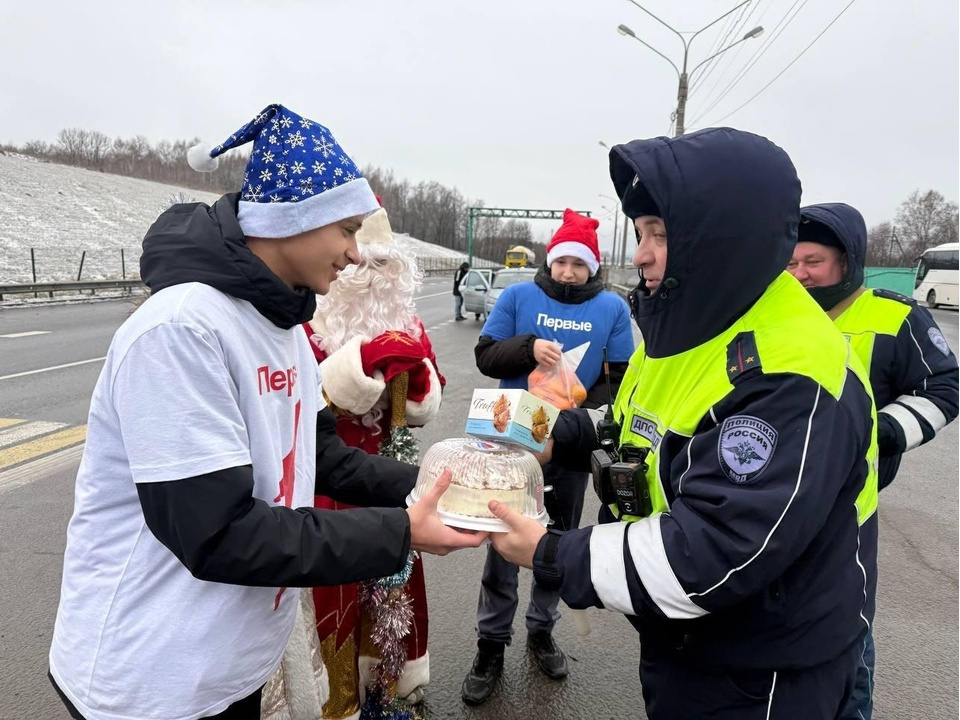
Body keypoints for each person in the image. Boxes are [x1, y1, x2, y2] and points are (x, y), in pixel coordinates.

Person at [48, 103, 485, 720]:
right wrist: (402, 532)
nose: (356, 254)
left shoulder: (280, 326)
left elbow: (318, 453)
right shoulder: (183, 329)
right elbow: (218, 532)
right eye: (347, 229)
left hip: (227, 666)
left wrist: (437, 484)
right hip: (150, 679)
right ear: (293, 219)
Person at [487, 128, 880, 720]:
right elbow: (626, 427)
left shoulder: (791, 370)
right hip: (691, 641)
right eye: (642, 232)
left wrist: (549, 553)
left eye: (660, 234)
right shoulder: (694, 324)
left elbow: (711, 554)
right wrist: (539, 438)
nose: (641, 253)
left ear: (723, 239)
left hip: (761, 664)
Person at [787, 202, 959, 720]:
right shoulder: (775, 314)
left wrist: (879, 434)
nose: (799, 275)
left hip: (849, 509)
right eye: (790, 263)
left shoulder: (897, 315)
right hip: (773, 500)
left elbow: (945, 388)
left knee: (847, 632)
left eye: (812, 261)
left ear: (848, 260)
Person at [461, 208, 635, 705]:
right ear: (550, 260)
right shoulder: (518, 296)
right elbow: (485, 355)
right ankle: (490, 643)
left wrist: (582, 396)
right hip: (511, 437)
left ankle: (541, 629)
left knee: (556, 540)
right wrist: (530, 349)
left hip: (573, 443)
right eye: (562, 263)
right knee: (501, 542)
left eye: (579, 265)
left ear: (593, 269)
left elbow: (622, 381)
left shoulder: (612, 309)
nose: (568, 273)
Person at [301, 204, 443, 718]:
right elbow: (306, 402)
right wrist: (359, 363)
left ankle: (387, 691)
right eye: (361, 265)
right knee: (333, 600)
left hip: (390, 477)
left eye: (381, 267)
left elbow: (423, 408)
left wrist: (420, 380)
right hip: (328, 485)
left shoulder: (408, 323)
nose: (369, 278)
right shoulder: (308, 324)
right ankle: (338, 702)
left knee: (391, 591)